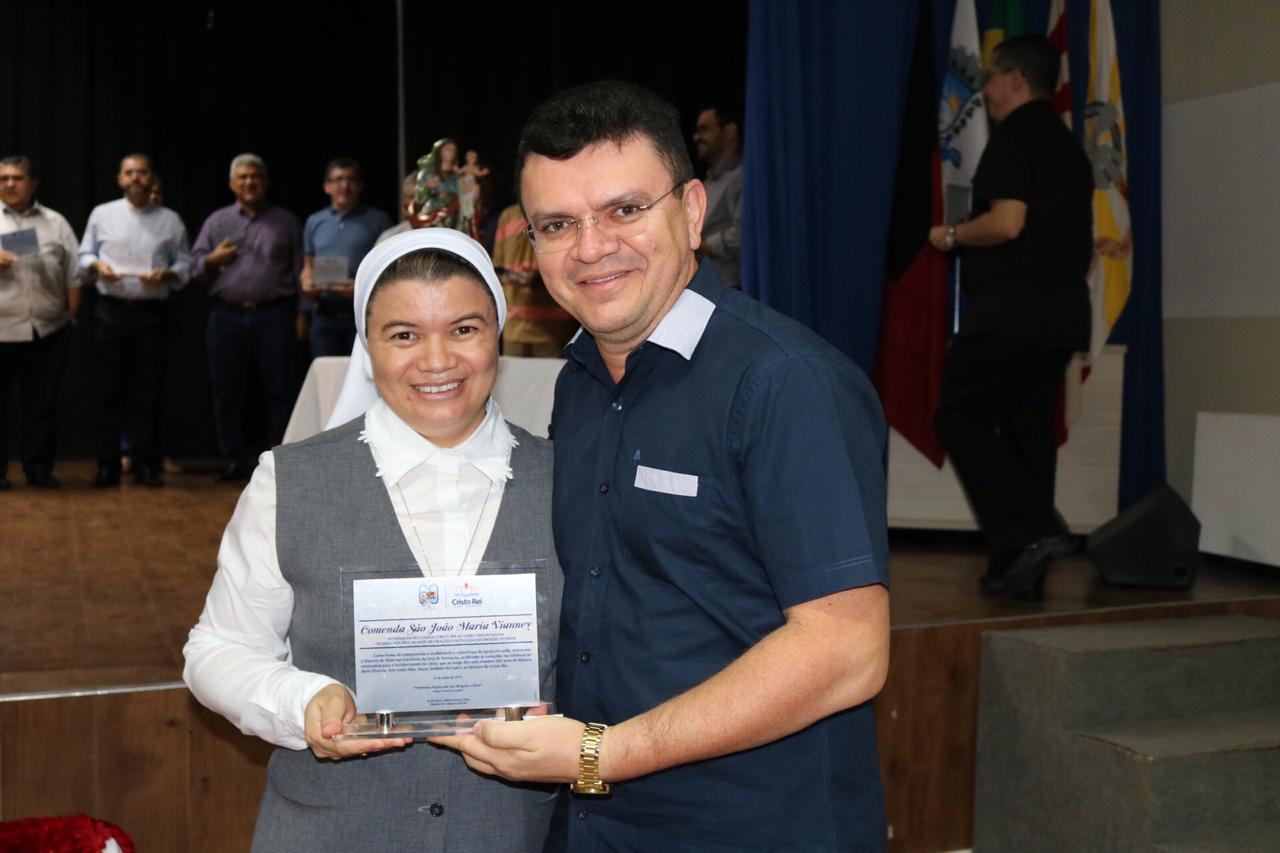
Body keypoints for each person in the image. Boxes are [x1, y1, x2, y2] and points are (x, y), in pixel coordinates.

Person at [434, 80, 890, 851]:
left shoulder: (783, 382)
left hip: (750, 828)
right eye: (557, 224)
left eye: (624, 210)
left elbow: (846, 650)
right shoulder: (581, 382)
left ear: (692, 210)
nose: (590, 247)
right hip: (597, 823)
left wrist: (602, 753)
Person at [183, 228, 563, 853]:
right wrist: (303, 698)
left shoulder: (568, 478)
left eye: (464, 329)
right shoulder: (290, 480)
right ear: (367, 346)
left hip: (512, 833)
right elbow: (216, 649)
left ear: (498, 334)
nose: (437, 361)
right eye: (404, 335)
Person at [928, 35, 1093, 600]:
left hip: (1009, 314)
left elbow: (1006, 223)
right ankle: (1019, 570)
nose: (986, 90)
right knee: (1028, 435)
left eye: (992, 77)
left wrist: (951, 235)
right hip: (1060, 316)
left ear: (1017, 78)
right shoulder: (1067, 146)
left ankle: (1034, 531)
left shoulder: (1014, 137)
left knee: (960, 417)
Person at [79, 153, 191, 488]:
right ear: (119, 178)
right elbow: (84, 255)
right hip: (110, 311)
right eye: (129, 172)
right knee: (107, 393)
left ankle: (147, 466)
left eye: (142, 172)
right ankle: (107, 466)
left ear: (151, 178)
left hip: (150, 314)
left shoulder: (170, 219)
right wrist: (98, 266)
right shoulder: (102, 214)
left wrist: (167, 273)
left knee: (149, 394)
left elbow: (185, 263)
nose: (136, 178)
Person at [192, 153, 304, 482]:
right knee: (226, 391)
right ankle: (232, 459)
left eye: (255, 176)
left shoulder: (286, 221)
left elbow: (301, 270)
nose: (249, 182)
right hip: (226, 317)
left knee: (279, 390)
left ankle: (279, 460)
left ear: (265, 182)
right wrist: (213, 259)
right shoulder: (217, 221)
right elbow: (193, 268)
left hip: (275, 315)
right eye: (242, 177)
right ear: (231, 184)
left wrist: (303, 314)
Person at [0, 155, 80, 489]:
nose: (9, 184)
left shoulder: (55, 222)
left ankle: (38, 469)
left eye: (17, 178)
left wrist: (70, 316)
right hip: (1, 329)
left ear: (32, 184)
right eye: (3, 178)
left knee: (41, 406)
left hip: (46, 329)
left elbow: (74, 272)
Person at [301, 158, 392, 357]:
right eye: (338, 179)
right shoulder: (315, 221)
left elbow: (389, 269)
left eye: (351, 179)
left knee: (363, 371)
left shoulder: (378, 220)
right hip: (324, 313)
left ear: (360, 186)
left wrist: (359, 288)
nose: (345, 185)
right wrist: (306, 281)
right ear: (327, 186)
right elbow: (308, 267)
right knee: (326, 371)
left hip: (363, 312)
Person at [489, 203, 575, 358]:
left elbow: (573, 264)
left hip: (555, 330)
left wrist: (539, 277)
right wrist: (511, 276)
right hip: (514, 330)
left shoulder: (559, 207)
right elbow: (497, 269)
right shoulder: (508, 216)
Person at [692, 103, 744, 289]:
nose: (697, 137)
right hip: (705, 288)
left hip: (733, 289)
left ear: (729, 131)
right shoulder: (708, 182)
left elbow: (743, 236)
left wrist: (697, 245)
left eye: (704, 129)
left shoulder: (743, 177)